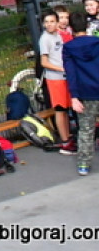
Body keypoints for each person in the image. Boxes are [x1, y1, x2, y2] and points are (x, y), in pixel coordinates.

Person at [62, 9, 99, 175]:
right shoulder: (97, 42)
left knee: (86, 129)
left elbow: (71, 73)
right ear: (87, 25)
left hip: (85, 93)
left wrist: (74, 96)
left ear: (70, 27)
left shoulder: (68, 48)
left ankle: (84, 164)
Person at [39, 9, 76, 153]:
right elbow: (44, 62)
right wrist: (61, 69)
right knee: (60, 109)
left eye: (52, 21)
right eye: (46, 22)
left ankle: (69, 136)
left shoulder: (58, 35)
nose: (49, 24)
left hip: (64, 77)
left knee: (66, 109)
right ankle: (65, 141)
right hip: (55, 79)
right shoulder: (45, 39)